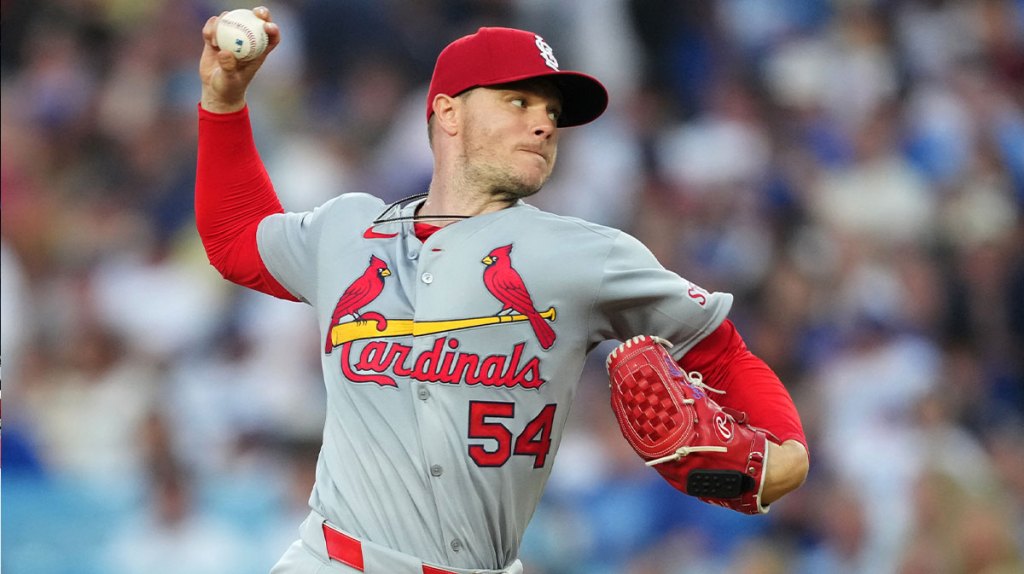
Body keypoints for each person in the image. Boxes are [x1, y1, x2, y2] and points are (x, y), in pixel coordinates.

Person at [195, 7, 809, 574]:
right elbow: (234, 238)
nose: (543, 123)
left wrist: (788, 455)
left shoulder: (586, 255)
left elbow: (720, 351)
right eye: (518, 101)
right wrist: (224, 102)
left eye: (551, 112)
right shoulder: (347, 230)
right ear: (448, 113)